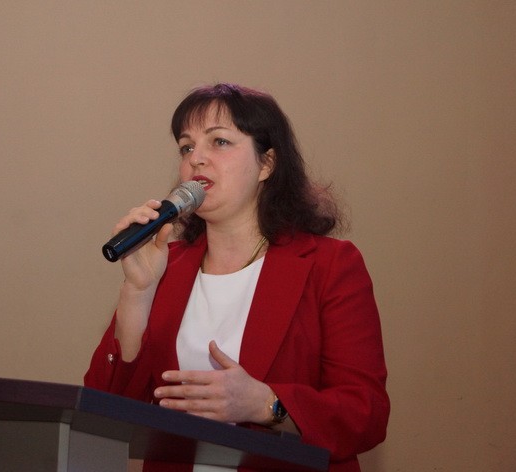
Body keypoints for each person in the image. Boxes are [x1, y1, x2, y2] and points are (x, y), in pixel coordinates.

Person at [84, 83, 389, 472]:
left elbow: (366, 413)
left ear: (267, 164)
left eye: (220, 142)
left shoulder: (330, 266)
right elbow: (104, 411)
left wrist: (265, 404)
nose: (196, 159)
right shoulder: (164, 267)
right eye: (186, 147)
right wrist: (137, 292)